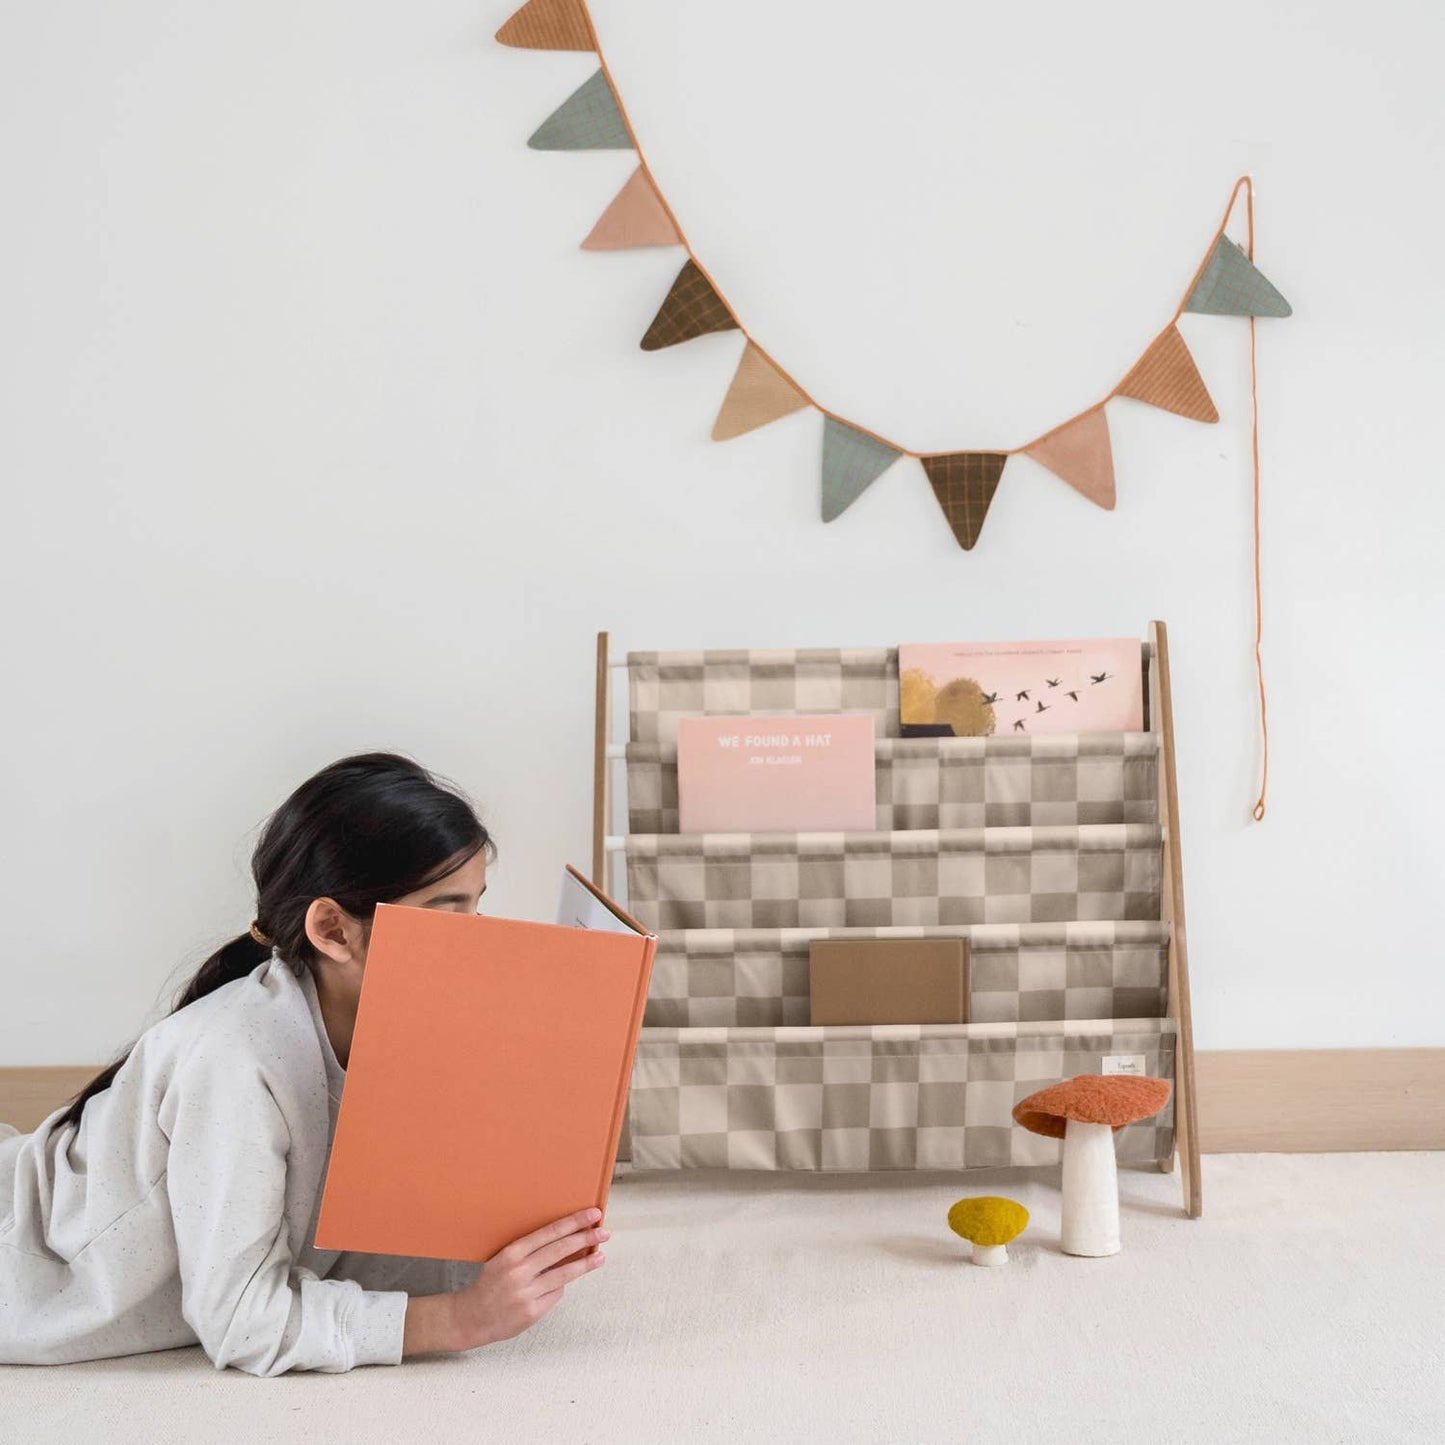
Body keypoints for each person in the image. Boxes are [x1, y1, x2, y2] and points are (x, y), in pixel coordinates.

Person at [0, 752, 608, 1375]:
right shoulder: (232, 1062)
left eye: (477, 907)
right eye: (448, 915)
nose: (478, 943)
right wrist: (460, 1318)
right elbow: (242, 1320)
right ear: (334, 932)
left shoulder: (399, 1024)